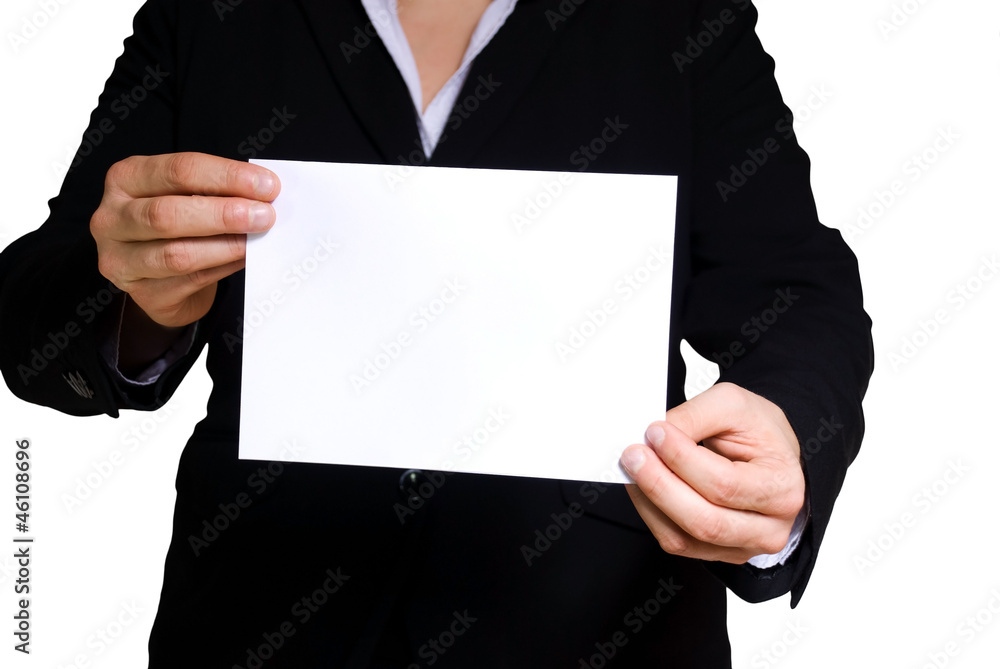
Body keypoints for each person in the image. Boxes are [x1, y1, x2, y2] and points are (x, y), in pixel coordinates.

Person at [0, 0, 873, 666]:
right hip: (259, 623)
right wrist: (135, 297)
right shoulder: (207, 12)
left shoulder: (679, 16)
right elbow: (34, 311)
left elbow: (801, 292)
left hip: (601, 629)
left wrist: (786, 431)